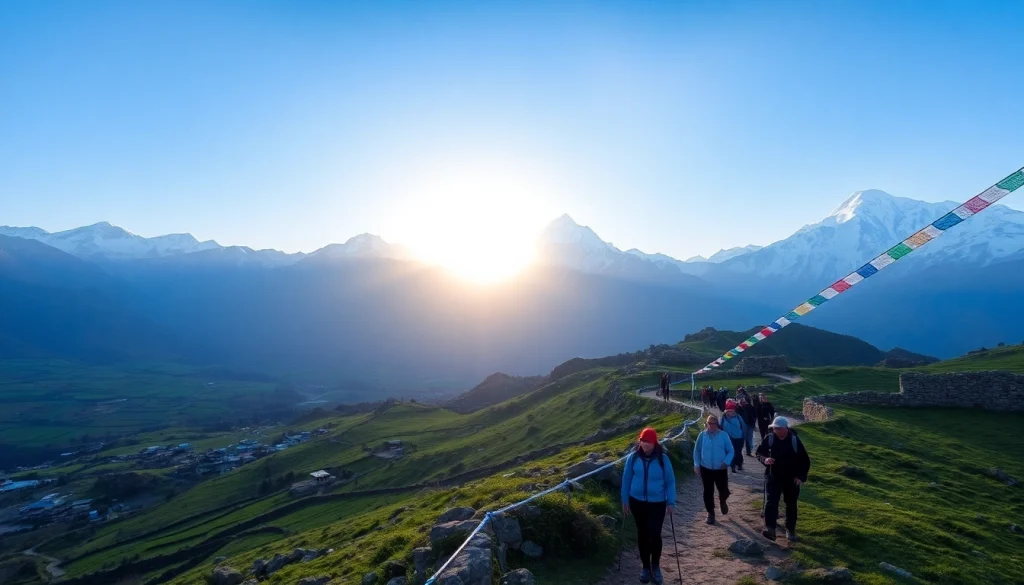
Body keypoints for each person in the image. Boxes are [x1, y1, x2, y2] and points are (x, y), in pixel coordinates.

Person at [622, 427, 676, 585]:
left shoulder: (663, 459)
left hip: (657, 503)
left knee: (655, 534)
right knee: (643, 534)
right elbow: (626, 480)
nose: (645, 444)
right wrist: (625, 500)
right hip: (636, 501)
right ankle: (645, 567)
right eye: (642, 441)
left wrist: (671, 501)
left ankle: (656, 566)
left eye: (648, 442)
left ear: (654, 442)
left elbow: (670, 481)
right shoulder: (632, 458)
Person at [756, 417, 811, 542]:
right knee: (771, 502)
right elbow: (759, 453)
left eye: (778, 428)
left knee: (791, 504)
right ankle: (770, 529)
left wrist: (801, 477)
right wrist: (765, 460)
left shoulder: (794, 440)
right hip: (773, 476)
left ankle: (790, 529)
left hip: (791, 478)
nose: (776, 430)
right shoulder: (769, 439)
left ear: (786, 429)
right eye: (774, 428)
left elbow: (805, 461)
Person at [693, 414, 734, 524]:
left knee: (724, 490)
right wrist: (696, 464)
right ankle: (710, 513)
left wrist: (726, 462)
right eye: (708, 423)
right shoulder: (702, 435)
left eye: (712, 423)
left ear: (717, 424)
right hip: (705, 468)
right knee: (708, 491)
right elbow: (697, 450)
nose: (709, 426)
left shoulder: (723, 435)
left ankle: (723, 500)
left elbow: (730, 450)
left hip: (720, 468)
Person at [719, 400, 747, 472]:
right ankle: (733, 466)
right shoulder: (723, 418)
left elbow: (743, 426)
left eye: (731, 411)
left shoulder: (738, 417)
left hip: (739, 438)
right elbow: (720, 427)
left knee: (738, 452)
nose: (730, 412)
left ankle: (739, 464)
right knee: (731, 452)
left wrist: (745, 436)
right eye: (728, 411)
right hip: (729, 438)